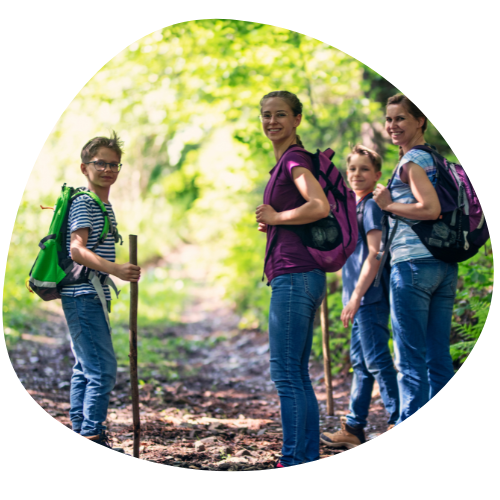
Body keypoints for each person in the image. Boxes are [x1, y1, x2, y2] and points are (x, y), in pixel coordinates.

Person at [255, 90, 330, 467]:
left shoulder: (294, 161)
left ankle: (295, 460)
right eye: (266, 115)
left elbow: (320, 205)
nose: (272, 122)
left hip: (295, 275)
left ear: (297, 119)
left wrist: (277, 218)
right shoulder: (285, 162)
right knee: (296, 373)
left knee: (286, 373)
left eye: (280, 114)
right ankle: (304, 458)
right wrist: (276, 222)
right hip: (300, 274)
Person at [373, 94, 458, 422]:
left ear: (420, 121)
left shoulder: (412, 163)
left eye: (400, 119)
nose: (392, 125)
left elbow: (430, 209)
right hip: (443, 265)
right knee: (438, 358)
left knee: (410, 362)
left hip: (412, 266)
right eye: (389, 119)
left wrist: (388, 204)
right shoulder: (436, 160)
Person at [60, 132, 141, 450]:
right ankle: (93, 436)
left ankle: (82, 431)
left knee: (85, 367)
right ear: (84, 167)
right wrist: (117, 270)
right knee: (103, 370)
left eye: (114, 165)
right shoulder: (86, 203)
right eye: (101, 163)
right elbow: (77, 249)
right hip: (82, 294)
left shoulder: (102, 204)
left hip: (89, 294)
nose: (108, 170)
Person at [320, 145, 399, 449]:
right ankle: (354, 427)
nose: (357, 174)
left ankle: (397, 420)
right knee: (361, 363)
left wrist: (355, 297)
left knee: (377, 361)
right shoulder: (353, 207)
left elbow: (376, 254)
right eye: (352, 168)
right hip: (356, 298)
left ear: (377, 174)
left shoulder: (371, 207)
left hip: (369, 296)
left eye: (364, 169)